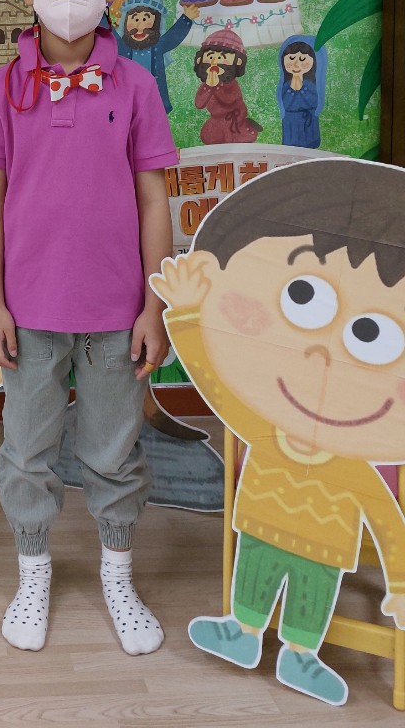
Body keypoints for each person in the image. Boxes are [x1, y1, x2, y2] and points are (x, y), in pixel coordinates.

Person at [0, 0, 177, 656]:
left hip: (117, 309)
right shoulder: (2, 90)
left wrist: (154, 306)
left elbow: (154, 199)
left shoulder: (136, 88)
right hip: (29, 310)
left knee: (115, 449)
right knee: (27, 448)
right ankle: (33, 571)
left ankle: (119, 574)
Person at [156, 160, 405, 707]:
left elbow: (388, 522)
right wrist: (189, 313)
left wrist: (401, 584)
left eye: (372, 335)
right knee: (255, 573)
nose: (323, 354)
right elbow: (216, 384)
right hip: (261, 522)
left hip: (326, 541)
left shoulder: (353, 464)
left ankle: (301, 653)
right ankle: (243, 632)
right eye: (304, 299)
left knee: (312, 592)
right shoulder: (259, 425)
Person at [116, 0, 198, 114]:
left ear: (157, 23)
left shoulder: (158, 46)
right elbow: (110, 32)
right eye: (135, 19)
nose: (139, 26)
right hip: (127, 99)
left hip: (154, 100)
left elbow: (173, 37)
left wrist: (186, 18)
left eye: (145, 19)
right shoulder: (123, 46)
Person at [192, 27, 262, 144]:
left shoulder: (231, 83)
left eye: (220, 58)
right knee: (208, 137)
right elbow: (199, 104)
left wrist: (216, 87)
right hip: (216, 119)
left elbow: (229, 101)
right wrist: (208, 87)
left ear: (237, 62)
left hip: (234, 119)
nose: (214, 63)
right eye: (210, 57)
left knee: (236, 139)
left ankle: (247, 124)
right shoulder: (207, 83)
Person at [276, 36, 326, 149]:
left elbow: (312, 102)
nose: (296, 64)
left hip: (308, 124)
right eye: (291, 58)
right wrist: (294, 86)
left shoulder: (310, 85)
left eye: (302, 59)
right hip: (290, 123)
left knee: (310, 148)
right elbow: (286, 103)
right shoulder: (286, 85)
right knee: (291, 148)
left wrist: (300, 88)